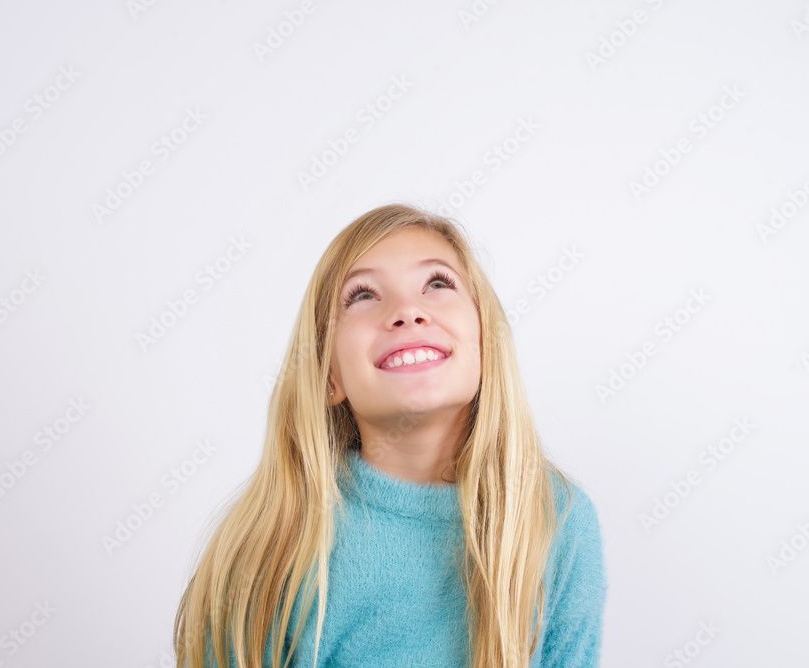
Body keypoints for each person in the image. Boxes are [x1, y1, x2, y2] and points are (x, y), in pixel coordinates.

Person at [172, 203, 607, 667]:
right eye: (362, 295)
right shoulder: (272, 537)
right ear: (327, 376)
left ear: (486, 342)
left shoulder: (557, 519)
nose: (407, 311)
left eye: (437, 283)